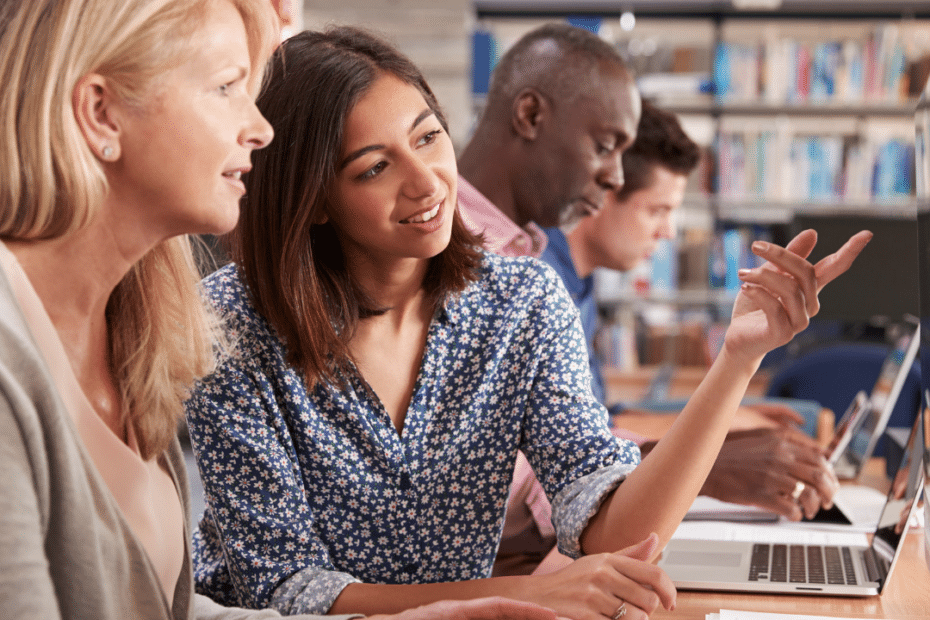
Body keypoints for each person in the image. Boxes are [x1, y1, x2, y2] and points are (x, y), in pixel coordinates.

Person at [183, 24, 870, 620]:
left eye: (429, 137)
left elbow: (609, 526)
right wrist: (522, 598)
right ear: (315, 197)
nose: (426, 183)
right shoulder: (230, 326)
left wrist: (738, 358)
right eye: (374, 168)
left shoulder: (522, 303)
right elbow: (283, 588)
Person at [0, 2, 554, 620]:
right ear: (101, 113)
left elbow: (174, 612)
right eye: (226, 88)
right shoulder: (13, 356)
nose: (260, 130)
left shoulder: (140, 326)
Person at [497, 99, 844, 576]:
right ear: (602, 191)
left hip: (585, 486)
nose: (667, 232)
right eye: (657, 210)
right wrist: (709, 450)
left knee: (779, 422)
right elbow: (557, 460)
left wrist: (721, 413)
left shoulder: (581, 280)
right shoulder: (535, 283)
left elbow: (594, 421)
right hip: (551, 522)